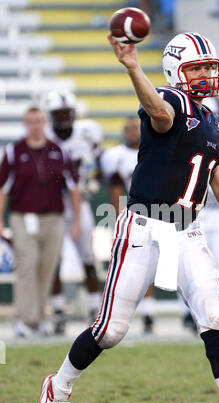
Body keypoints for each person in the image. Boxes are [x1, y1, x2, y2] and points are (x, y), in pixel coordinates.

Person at [34, 32, 219, 403]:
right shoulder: (171, 100)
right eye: (199, 67)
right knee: (110, 330)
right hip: (144, 225)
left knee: (216, 316)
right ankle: (58, 386)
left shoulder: (214, 122)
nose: (210, 73)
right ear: (177, 69)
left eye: (212, 66)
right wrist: (132, 66)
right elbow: (159, 112)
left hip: (188, 231)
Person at [0, 106, 80, 338]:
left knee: (47, 269)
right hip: (23, 217)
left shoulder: (58, 150)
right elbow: (3, 188)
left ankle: (38, 320)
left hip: (53, 217)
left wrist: (75, 220)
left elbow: (73, 186)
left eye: (38, 121)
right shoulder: (14, 151)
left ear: (44, 123)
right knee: (27, 266)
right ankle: (23, 319)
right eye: (30, 121)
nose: (35, 126)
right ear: (26, 124)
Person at [43, 90, 103, 333]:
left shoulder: (86, 134)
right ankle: (57, 312)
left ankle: (94, 308)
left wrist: (93, 179)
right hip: (54, 206)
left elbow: (98, 164)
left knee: (88, 258)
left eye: (67, 113)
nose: (65, 118)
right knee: (53, 261)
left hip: (80, 205)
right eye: (60, 114)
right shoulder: (44, 137)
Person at [101, 116, 157, 334]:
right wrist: (120, 218)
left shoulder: (155, 149)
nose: (131, 131)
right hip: (137, 213)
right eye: (127, 128)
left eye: (135, 127)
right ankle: (134, 315)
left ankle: (161, 314)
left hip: (164, 212)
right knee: (136, 266)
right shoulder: (117, 157)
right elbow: (115, 189)